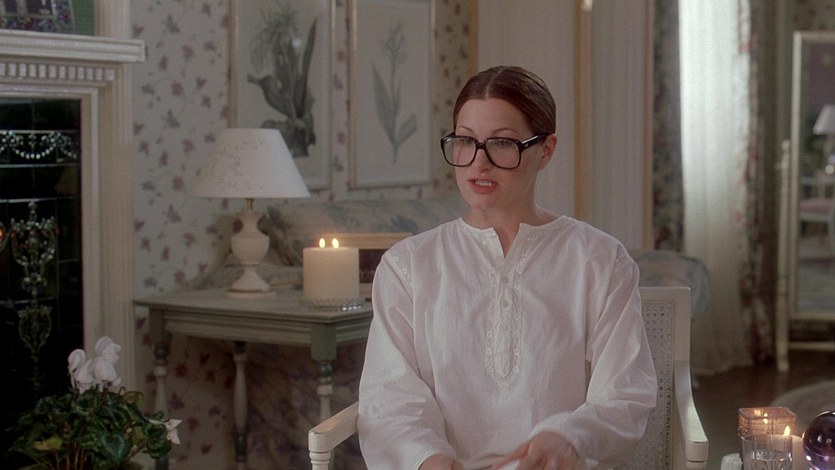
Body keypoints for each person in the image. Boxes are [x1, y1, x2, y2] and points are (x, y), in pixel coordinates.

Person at [356, 65, 657, 470]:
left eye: (502, 143)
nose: (478, 163)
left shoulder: (600, 260)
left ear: (546, 150)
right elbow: (390, 399)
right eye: (465, 141)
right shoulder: (407, 266)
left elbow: (624, 393)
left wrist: (568, 436)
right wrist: (430, 460)